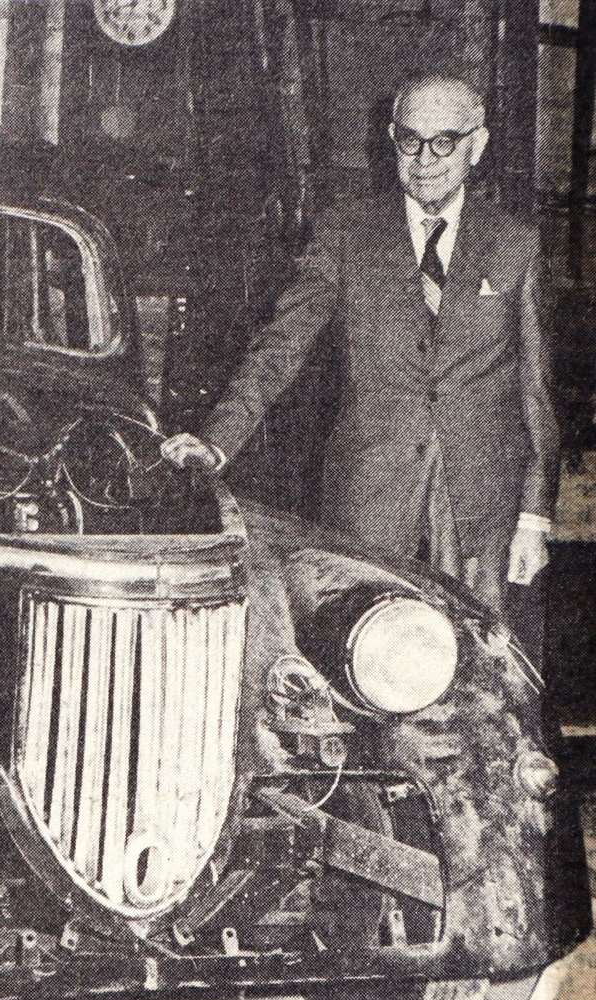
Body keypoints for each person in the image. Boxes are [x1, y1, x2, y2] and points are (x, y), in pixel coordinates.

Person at [161, 73, 557, 614]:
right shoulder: (347, 232)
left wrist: (534, 515)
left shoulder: (517, 244)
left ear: (477, 145)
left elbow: (536, 393)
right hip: (369, 497)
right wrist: (217, 440)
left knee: (481, 667)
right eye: (410, 140)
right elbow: (281, 348)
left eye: (445, 142)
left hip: (483, 507)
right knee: (360, 655)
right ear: (391, 139)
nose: (425, 159)